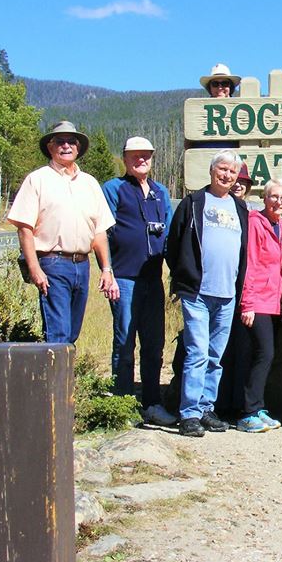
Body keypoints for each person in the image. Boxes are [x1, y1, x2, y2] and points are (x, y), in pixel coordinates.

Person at [8, 121, 118, 344]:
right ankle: (56, 379)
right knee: (58, 334)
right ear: (50, 147)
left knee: (72, 333)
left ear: (78, 148)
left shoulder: (90, 183)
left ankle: (62, 378)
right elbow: (25, 229)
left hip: (82, 265)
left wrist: (106, 269)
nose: (66, 145)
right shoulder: (37, 179)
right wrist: (34, 268)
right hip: (53, 264)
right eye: (60, 141)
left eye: (71, 141)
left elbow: (99, 232)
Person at [165, 150, 249, 438]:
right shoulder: (193, 203)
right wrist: (183, 277)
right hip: (197, 292)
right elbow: (173, 244)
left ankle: (205, 408)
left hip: (227, 293)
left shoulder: (240, 209)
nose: (226, 175)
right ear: (212, 171)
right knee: (197, 352)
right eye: (222, 169)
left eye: (231, 171)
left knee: (215, 355)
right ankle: (188, 413)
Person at [101, 136, 175, 426]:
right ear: (125, 158)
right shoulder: (114, 188)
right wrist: (106, 271)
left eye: (145, 155)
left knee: (154, 344)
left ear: (152, 158)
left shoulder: (161, 192)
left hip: (152, 280)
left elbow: (168, 235)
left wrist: (179, 275)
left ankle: (152, 402)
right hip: (123, 277)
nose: (140, 159)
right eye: (134, 155)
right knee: (124, 341)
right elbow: (101, 232)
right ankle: (122, 404)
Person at [234, 178, 282, 434]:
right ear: (265, 198)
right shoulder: (254, 222)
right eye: (274, 196)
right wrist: (247, 303)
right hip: (255, 301)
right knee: (262, 353)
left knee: (264, 354)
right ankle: (246, 413)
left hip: (272, 301)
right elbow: (250, 264)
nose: (278, 202)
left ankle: (258, 408)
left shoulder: (281, 224)